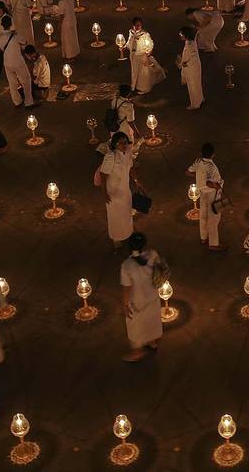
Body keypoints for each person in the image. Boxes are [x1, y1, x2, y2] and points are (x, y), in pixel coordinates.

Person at [120, 232, 164, 361]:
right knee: (152, 319)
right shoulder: (153, 254)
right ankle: (152, 342)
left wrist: (125, 304)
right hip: (153, 296)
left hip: (137, 301)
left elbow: (127, 288)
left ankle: (137, 352)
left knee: (136, 326)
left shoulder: (127, 266)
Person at [94, 132, 136, 247]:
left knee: (126, 213)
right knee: (115, 216)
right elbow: (103, 174)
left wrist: (137, 182)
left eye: (125, 142)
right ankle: (116, 238)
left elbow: (131, 167)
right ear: (115, 144)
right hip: (113, 191)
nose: (123, 145)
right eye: (120, 143)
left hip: (125, 190)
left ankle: (128, 233)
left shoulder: (128, 153)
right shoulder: (111, 156)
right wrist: (104, 192)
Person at [189, 143, 224, 250]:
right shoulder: (211, 167)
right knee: (213, 218)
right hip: (212, 193)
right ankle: (214, 243)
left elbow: (188, 172)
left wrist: (198, 176)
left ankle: (203, 237)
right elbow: (208, 183)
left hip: (202, 193)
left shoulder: (198, 161)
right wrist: (217, 186)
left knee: (203, 215)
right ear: (213, 154)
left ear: (201, 153)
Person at [177, 26, 204, 110]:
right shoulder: (192, 42)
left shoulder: (188, 46)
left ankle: (195, 104)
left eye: (181, 34)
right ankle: (200, 98)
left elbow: (184, 60)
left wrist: (179, 62)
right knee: (197, 83)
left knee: (192, 86)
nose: (180, 35)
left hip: (191, 69)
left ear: (186, 35)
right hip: (196, 66)